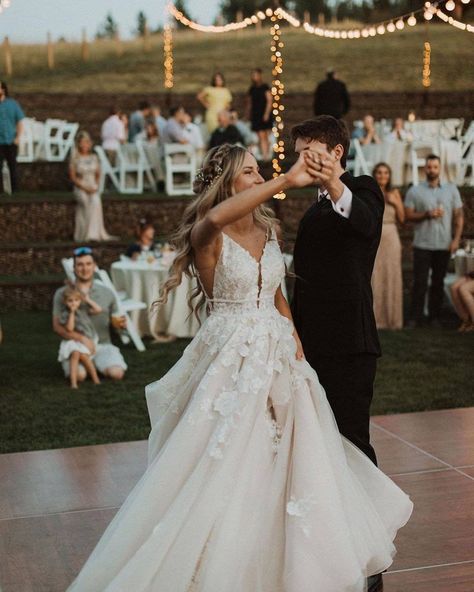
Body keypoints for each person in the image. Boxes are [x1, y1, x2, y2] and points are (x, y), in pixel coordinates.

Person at [67, 144, 412, 592]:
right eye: (250, 172)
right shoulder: (208, 233)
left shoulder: (269, 233)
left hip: (282, 362)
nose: (259, 177)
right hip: (232, 358)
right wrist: (287, 181)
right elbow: (213, 218)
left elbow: (276, 295)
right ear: (228, 183)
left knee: (292, 463)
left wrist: (294, 339)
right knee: (231, 464)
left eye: (260, 171)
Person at [290, 116, 386, 591]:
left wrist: (332, 182)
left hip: (350, 345)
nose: (301, 161)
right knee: (321, 451)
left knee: (353, 447)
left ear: (336, 153)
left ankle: (371, 562)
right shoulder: (310, 211)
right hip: (312, 349)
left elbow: (365, 226)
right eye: (299, 153)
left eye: (310, 152)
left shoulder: (363, 190)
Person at [405, 154, 464, 328]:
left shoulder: (451, 189)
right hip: (422, 244)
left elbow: (459, 216)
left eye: (435, 167)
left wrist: (456, 239)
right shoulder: (414, 190)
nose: (432, 170)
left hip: (444, 244)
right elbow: (408, 215)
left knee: (438, 282)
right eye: (429, 167)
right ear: (425, 169)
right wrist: (426, 214)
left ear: (440, 169)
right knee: (420, 282)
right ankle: (415, 317)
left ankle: (434, 317)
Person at [53, 247, 127, 382]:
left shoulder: (107, 292)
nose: (84, 268)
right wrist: (82, 339)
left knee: (117, 374)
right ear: (74, 268)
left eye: (88, 264)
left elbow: (117, 321)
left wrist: (121, 325)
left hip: (103, 345)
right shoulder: (62, 294)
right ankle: (87, 367)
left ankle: (98, 363)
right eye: (80, 264)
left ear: (94, 266)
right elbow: (57, 327)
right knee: (79, 376)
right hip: (76, 346)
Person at [372, 163, 405, 330]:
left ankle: (393, 320)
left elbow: (402, 218)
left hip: (391, 235)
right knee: (375, 275)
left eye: (385, 173)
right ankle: (376, 319)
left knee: (392, 275)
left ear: (389, 175)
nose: (382, 175)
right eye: (379, 172)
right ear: (375, 174)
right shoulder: (370, 193)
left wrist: (395, 203)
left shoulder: (395, 193)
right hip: (374, 235)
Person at [69, 131, 114, 242]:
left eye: (87, 142)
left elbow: (98, 173)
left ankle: (94, 234)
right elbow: (73, 177)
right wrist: (84, 187)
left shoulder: (94, 157)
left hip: (92, 185)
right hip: (81, 185)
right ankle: (83, 234)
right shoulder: (75, 158)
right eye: (83, 142)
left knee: (95, 201)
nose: (85, 145)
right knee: (84, 201)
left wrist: (96, 185)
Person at [57, 285, 101, 389]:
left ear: (80, 300)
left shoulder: (83, 311)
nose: (73, 303)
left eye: (76, 300)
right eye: (70, 301)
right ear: (65, 302)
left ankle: (96, 379)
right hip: (72, 341)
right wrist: (72, 312)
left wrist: (87, 300)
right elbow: (69, 329)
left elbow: (98, 309)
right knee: (75, 354)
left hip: (85, 341)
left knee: (84, 357)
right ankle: (73, 383)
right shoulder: (65, 314)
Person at [0, 80, 25, 193]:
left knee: (13, 167)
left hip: (10, 140)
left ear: (3, 89)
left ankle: (16, 190)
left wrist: (17, 137)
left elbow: (20, 121)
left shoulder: (12, 104)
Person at [247, 68, 273, 160]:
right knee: (261, 136)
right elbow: (250, 103)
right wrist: (248, 114)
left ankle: (266, 154)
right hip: (256, 114)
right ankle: (264, 154)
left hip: (263, 114)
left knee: (265, 135)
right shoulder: (252, 89)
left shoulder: (265, 87)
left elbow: (269, 101)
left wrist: (266, 113)